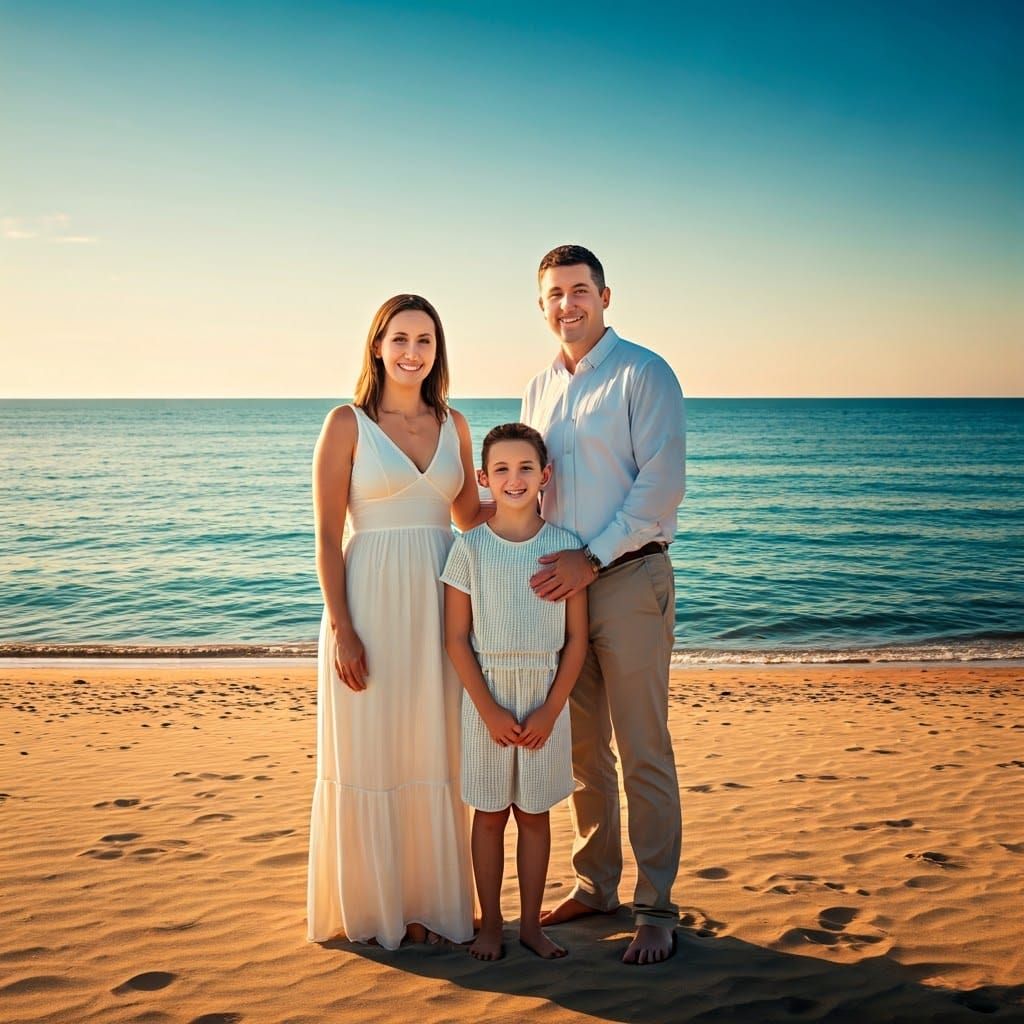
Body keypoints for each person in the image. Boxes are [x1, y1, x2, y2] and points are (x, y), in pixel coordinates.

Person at [522, 245, 686, 965]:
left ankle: (655, 908)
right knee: (586, 750)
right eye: (555, 294)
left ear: (605, 296)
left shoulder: (643, 373)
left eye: (580, 290)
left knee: (644, 749)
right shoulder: (537, 388)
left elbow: (660, 487)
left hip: (625, 579)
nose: (568, 304)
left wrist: (591, 559)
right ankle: (596, 886)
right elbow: (526, 485)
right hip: (566, 590)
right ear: (542, 306)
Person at [307, 293, 487, 949]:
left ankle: (430, 909)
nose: (413, 352)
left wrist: (539, 501)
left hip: (442, 608)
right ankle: (378, 910)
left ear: (438, 353)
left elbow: (471, 516)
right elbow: (328, 538)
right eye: (401, 338)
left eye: (426, 341)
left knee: (433, 748)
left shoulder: (456, 424)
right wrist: (343, 628)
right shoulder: (347, 424)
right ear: (378, 345)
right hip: (370, 606)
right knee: (373, 750)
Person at [442, 423, 588, 962]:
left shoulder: (565, 548)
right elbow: (456, 638)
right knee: (488, 814)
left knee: (534, 816)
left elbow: (576, 642)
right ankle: (491, 925)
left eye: (526, 468)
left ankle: (531, 924)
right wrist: (488, 710)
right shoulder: (469, 549)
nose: (514, 478)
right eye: (501, 469)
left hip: (546, 700)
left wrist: (552, 709)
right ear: (483, 479)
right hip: (487, 700)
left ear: (545, 476)